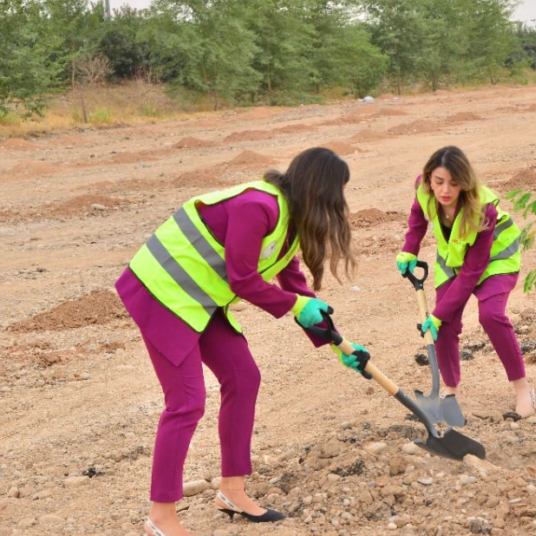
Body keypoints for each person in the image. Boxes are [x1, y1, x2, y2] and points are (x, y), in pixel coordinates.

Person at [116, 147, 369, 536]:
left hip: (199, 298)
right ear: (320, 188)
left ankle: (232, 491)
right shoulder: (258, 206)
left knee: (243, 376)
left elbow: (294, 286)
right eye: (338, 193)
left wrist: (340, 344)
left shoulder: (289, 223)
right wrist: (297, 306)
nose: (340, 204)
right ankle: (160, 516)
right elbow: (243, 280)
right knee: (186, 401)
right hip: (162, 291)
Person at [396, 146, 536, 418]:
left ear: (465, 182)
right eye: (438, 182)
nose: (445, 190)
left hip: (495, 258)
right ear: (428, 179)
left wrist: (437, 315)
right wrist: (410, 248)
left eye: (454, 183)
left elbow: (472, 273)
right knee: (444, 326)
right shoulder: (424, 188)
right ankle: (449, 394)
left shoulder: (483, 209)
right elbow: (417, 217)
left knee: (491, 315)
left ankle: (523, 389)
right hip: (454, 258)